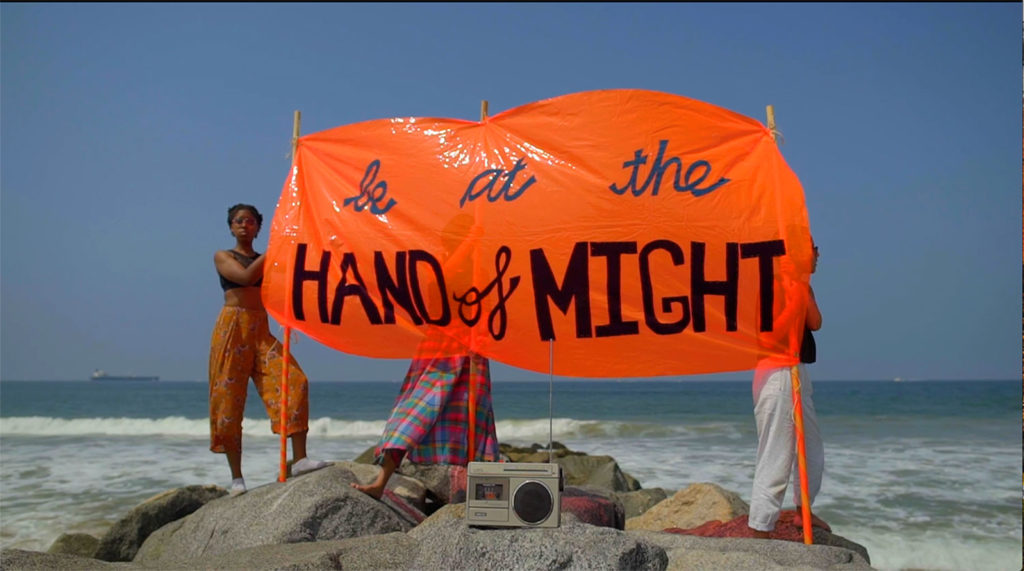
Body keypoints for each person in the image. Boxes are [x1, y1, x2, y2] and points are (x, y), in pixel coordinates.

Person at [351, 216, 499, 500]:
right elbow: (440, 285)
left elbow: (488, 312)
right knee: (412, 415)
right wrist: (469, 242)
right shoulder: (440, 267)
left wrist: (481, 340)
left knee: (472, 423)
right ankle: (380, 482)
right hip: (439, 351)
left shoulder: (479, 272)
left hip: (471, 353)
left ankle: (477, 490)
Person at [209, 203, 328, 496]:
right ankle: (237, 478)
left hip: (261, 328)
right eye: (239, 221)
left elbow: (287, 282)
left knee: (295, 381)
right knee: (228, 401)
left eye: (250, 221)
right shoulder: (224, 256)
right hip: (232, 328)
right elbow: (246, 277)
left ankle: (299, 459)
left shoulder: (268, 258)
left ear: (258, 227)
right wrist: (275, 250)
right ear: (231, 227)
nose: (244, 225)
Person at [748, 239, 829, 538]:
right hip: (775, 372)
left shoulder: (801, 286)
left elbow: (815, 322)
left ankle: (803, 509)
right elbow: (768, 337)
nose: (818, 254)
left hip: (797, 369)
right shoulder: (773, 286)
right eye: (813, 248)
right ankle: (760, 526)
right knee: (777, 452)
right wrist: (793, 299)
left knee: (811, 448)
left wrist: (802, 288)